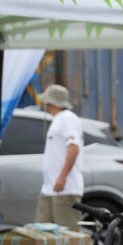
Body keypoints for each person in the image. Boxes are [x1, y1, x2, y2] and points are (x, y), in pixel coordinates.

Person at [36, 84, 84, 226]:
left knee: (67, 233)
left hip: (65, 189)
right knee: (42, 231)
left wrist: (62, 177)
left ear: (50, 102)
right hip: (49, 188)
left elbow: (74, 148)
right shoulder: (58, 120)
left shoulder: (67, 118)